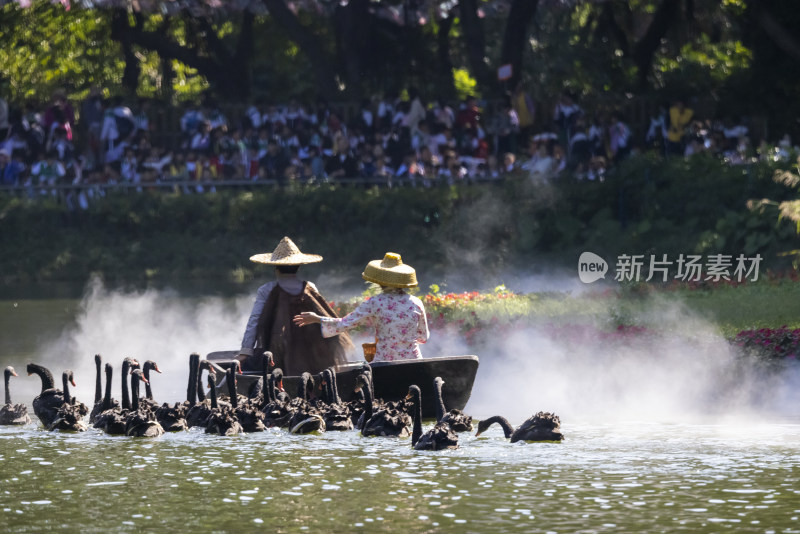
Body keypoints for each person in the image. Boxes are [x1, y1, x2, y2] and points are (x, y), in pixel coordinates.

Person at [237, 237, 354, 375]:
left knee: (251, 366)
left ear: (276, 268)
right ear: (298, 267)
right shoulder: (310, 288)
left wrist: (246, 351)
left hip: (276, 354)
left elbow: (254, 321)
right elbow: (324, 316)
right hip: (313, 355)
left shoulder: (266, 290)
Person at [293, 252, 429, 362]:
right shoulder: (416, 302)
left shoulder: (376, 302)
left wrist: (317, 319)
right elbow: (423, 336)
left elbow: (344, 323)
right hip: (414, 363)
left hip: (385, 364)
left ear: (380, 282)